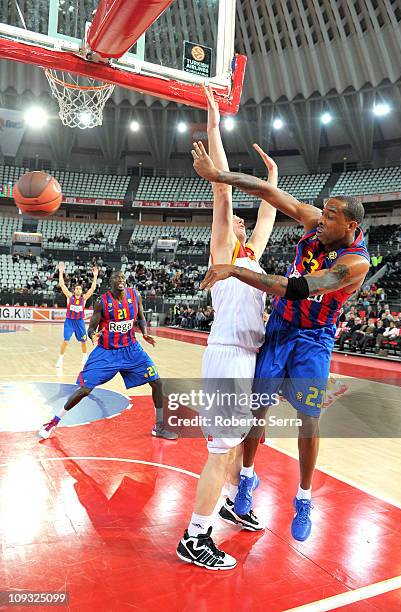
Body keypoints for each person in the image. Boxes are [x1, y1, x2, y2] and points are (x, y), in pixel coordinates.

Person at [193, 140, 370, 550]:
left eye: (330, 218)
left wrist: (235, 270)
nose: (320, 221)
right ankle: (247, 482)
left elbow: (300, 287)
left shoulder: (355, 263)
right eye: (322, 214)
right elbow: (271, 195)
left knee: (308, 418)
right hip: (280, 329)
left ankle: (303, 498)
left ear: (350, 227)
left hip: (313, 338)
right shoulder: (317, 223)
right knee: (259, 407)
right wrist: (219, 176)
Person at [176, 86, 277, 570]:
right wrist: (215, 128)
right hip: (227, 356)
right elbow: (223, 189)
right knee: (219, 452)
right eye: (234, 221)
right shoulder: (223, 255)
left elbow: (267, 214)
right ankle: (195, 537)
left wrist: (273, 178)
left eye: (241, 221)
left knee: (235, 445)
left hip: (247, 359)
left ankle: (236, 506)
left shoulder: (251, 258)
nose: (239, 221)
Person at [40, 271, 177, 441]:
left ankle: (159, 426)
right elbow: (91, 328)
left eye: (122, 278)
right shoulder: (102, 302)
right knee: (85, 389)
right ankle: (54, 421)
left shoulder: (135, 295)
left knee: (156, 382)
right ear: (109, 283)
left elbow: (141, 317)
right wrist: (92, 336)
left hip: (131, 349)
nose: (120, 280)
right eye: (116, 278)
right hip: (107, 351)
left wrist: (145, 333)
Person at [56, 262, 98, 368]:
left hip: (79, 322)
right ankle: (60, 359)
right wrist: (61, 272)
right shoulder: (69, 297)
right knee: (66, 340)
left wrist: (95, 276)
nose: (78, 290)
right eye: (77, 288)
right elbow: (62, 285)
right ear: (74, 290)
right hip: (69, 321)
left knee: (83, 341)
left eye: (80, 288)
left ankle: (84, 357)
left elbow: (92, 289)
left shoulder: (84, 298)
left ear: (81, 290)